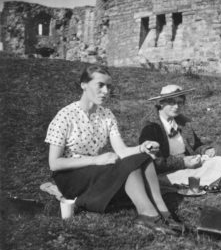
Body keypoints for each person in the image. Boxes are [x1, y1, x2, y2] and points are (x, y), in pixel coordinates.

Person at [45, 65, 183, 235]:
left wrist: (142, 147)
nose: (106, 91)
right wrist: (95, 160)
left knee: (143, 157)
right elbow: (54, 164)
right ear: (84, 85)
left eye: (109, 87)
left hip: (94, 171)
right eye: (100, 85)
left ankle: (164, 213)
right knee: (127, 165)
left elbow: (122, 151)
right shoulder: (65, 116)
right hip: (70, 176)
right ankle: (148, 215)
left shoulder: (107, 115)